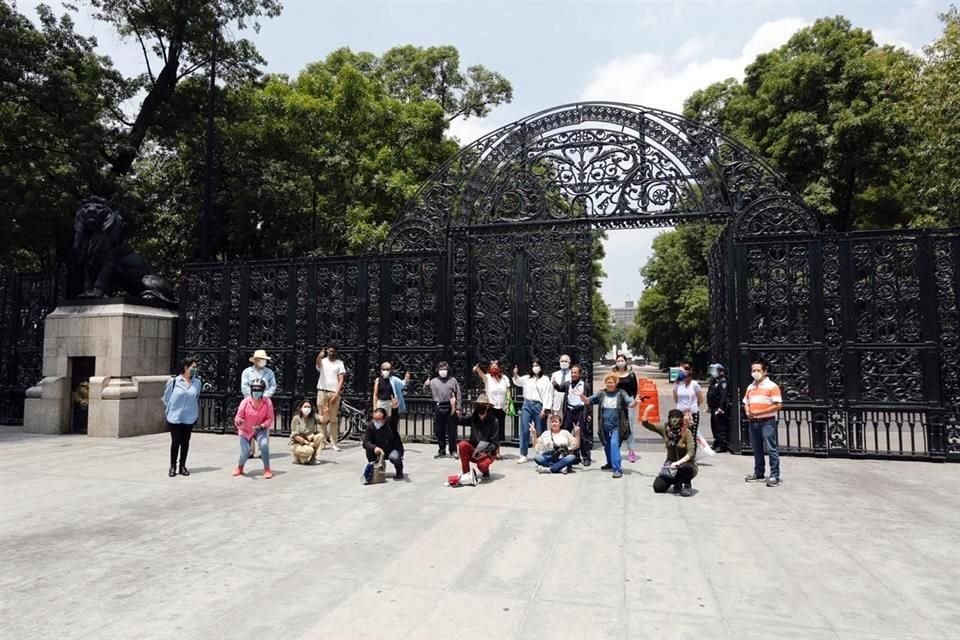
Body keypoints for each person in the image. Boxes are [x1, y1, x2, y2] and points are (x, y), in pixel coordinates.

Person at [578, 374, 636, 478]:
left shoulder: (621, 393)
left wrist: (636, 402)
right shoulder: (601, 393)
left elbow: (630, 404)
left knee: (614, 445)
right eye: (608, 382)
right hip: (604, 425)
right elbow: (587, 401)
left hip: (617, 425)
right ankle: (610, 463)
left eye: (612, 382)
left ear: (616, 383)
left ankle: (617, 469)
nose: (610, 384)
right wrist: (581, 396)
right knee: (607, 445)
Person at [743, 359, 783, 487]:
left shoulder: (772, 386)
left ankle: (774, 475)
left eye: (758, 370)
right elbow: (746, 402)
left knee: (771, 449)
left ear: (765, 371)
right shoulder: (751, 386)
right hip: (753, 422)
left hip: (767, 422)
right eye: (753, 370)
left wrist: (760, 413)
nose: (755, 373)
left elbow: (778, 405)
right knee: (757, 449)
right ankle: (759, 473)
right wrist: (748, 411)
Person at [642, 406, 698, 497]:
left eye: (677, 418)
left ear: (681, 419)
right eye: (672, 417)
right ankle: (676, 482)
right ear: (669, 419)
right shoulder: (665, 429)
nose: (674, 420)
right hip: (670, 467)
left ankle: (687, 485)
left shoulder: (686, 432)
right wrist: (647, 410)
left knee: (685, 467)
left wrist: (678, 462)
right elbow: (646, 424)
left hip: (686, 465)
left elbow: (691, 453)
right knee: (658, 487)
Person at [447, 393, 499, 486]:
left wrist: (485, 452)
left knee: (482, 465)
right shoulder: (473, 417)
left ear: (487, 407)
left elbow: (494, 443)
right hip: (474, 450)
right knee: (462, 444)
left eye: (483, 405)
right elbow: (458, 420)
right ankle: (466, 474)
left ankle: (485, 471)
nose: (481, 407)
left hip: (487, 453)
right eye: (479, 405)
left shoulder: (494, 421)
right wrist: (453, 408)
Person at [162, 357, 201, 477]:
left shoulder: (197, 382)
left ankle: (182, 465)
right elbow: (167, 398)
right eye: (193, 367)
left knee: (185, 442)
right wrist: (170, 410)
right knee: (176, 441)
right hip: (175, 416)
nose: (195, 369)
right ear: (186, 367)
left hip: (189, 416)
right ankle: (173, 465)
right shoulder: (173, 381)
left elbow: (196, 396)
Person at [512, 360, 553, 464]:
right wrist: (515, 374)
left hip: (538, 405)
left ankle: (541, 451)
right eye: (533, 365)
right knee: (525, 429)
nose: (535, 367)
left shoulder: (545, 380)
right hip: (527, 404)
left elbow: (548, 394)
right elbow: (517, 382)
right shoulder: (527, 378)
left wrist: (545, 408)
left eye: (537, 365)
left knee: (540, 430)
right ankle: (523, 454)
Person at [233, 379, 274, 479]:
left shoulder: (267, 402)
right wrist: (239, 421)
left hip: (260, 429)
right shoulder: (245, 402)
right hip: (246, 430)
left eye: (259, 390)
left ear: (263, 391)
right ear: (251, 390)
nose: (256, 392)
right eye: (254, 389)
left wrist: (263, 426)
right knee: (246, 451)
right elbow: (238, 417)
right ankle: (240, 466)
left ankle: (267, 468)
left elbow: (270, 418)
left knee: (264, 445)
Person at [240, 349, 277, 459]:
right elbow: (244, 387)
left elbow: (273, 386)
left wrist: (264, 396)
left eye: (264, 360)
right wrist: (253, 397)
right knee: (249, 425)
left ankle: (263, 449)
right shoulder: (247, 372)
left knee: (264, 425)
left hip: (264, 403)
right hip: (250, 403)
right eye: (261, 359)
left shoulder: (269, 372)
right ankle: (250, 450)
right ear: (255, 360)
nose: (263, 361)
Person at [552, 363, 591, 466]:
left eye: (575, 373)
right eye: (572, 372)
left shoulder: (585, 385)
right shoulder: (567, 384)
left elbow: (589, 401)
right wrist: (555, 384)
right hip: (569, 410)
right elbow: (560, 388)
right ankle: (571, 456)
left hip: (580, 411)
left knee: (582, 434)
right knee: (566, 433)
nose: (573, 374)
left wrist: (589, 414)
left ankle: (586, 457)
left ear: (579, 374)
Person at [424, 361, 461, 459]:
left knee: (452, 430)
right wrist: (426, 384)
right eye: (441, 369)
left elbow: (458, 395)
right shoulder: (433, 381)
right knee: (439, 430)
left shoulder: (453, 380)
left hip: (450, 406)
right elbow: (425, 391)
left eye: (444, 369)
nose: (443, 371)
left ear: (448, 370)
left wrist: (458, 408)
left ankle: (453, 450)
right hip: (438, 406)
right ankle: (442, 450)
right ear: (437, 370)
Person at [315, 344, 346, 452]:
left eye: (333, 351)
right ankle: (322, 442)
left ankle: (334, 442)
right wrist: (319, 356)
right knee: (322, 419)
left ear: (336, 352)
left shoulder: (339, 363)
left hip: (333, 392)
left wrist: (336, 394)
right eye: (329, 351)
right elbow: (317, 364)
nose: (331, 353)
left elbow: (341, 379)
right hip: (322, 390)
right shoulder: (323, 361)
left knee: (333, 419)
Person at [472, 360, 510, 447]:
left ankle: (497, 450)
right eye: (492, 367)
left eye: (496, 367)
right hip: (490, 407)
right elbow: (481, 375)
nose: (494, 369)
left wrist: (508, 404)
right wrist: (477, 369)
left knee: (500, 429)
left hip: (501, 407)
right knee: (490, 429)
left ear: (500, 368)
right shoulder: (488, 378)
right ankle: (487, 449)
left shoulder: (505, 378)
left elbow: (508, 392)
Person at [362, 408, 404, 480]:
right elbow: (365, 442)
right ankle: (376, 468)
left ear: (385, 419)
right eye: (375, 419)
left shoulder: (390, 424)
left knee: (394, 457)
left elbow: (395, 418)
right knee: (369, 450)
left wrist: (395, 408)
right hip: (378, 451)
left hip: (391, 449)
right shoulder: (371, 426)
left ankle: (399, 471)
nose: (377, 421)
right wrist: (374, 447)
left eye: (379, 419)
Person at [613, 353, 640, 463]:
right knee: (616, 426)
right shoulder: (613, 374)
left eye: (621, 360)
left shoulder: (631, 375)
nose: (620, 362)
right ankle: (616, 449)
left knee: (630, 427)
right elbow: (609, 386)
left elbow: (635, 389)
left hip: (629, 403)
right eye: (618, 360)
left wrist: (632, 401)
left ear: (625, 362)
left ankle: (631, 450)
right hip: (616, 403)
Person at [374, 362, 412, 435]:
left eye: (387, 369)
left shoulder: (393, 379)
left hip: (391, 403)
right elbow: (375, 395)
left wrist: (406, 379)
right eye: (384, 369)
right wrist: (375, 407)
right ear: (381, 370)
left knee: (391, 422)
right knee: (380, 421)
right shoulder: (378, 380)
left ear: (390, 370)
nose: (385, 371)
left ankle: (390, 438)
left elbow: (403, 384)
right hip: (381, 402)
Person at [673, 362, 704, 439]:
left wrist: (693, 407)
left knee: (692, 436)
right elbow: (676, 399)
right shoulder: (678, 384)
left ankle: (692, 450)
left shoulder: (694, 384)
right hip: (680, 412)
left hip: (692, 413)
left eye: (686, 369)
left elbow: (700, 399)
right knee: (680, 435)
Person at [289, 398, 323, 464]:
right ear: (301, 408)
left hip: (309, 440)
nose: (307, 408)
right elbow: (295, 436)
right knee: (308, 452)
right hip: (298, 443)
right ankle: (297, 455)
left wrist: (326, 412)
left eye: (309, 407)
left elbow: (323, 420)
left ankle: (313, 458)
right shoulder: (296, 418)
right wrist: (307, 443)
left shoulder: (313, 417)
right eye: (305, 407)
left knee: (320, 436)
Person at [706, 363, 731, 453]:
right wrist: (709, 405)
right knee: (714, 426)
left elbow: (723, 396)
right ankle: (717, 442)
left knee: (720, 427)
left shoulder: (723, 381)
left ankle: (722, 445)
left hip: (719, 408)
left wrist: (721, 407)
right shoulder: (714, 381)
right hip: (713, 407)